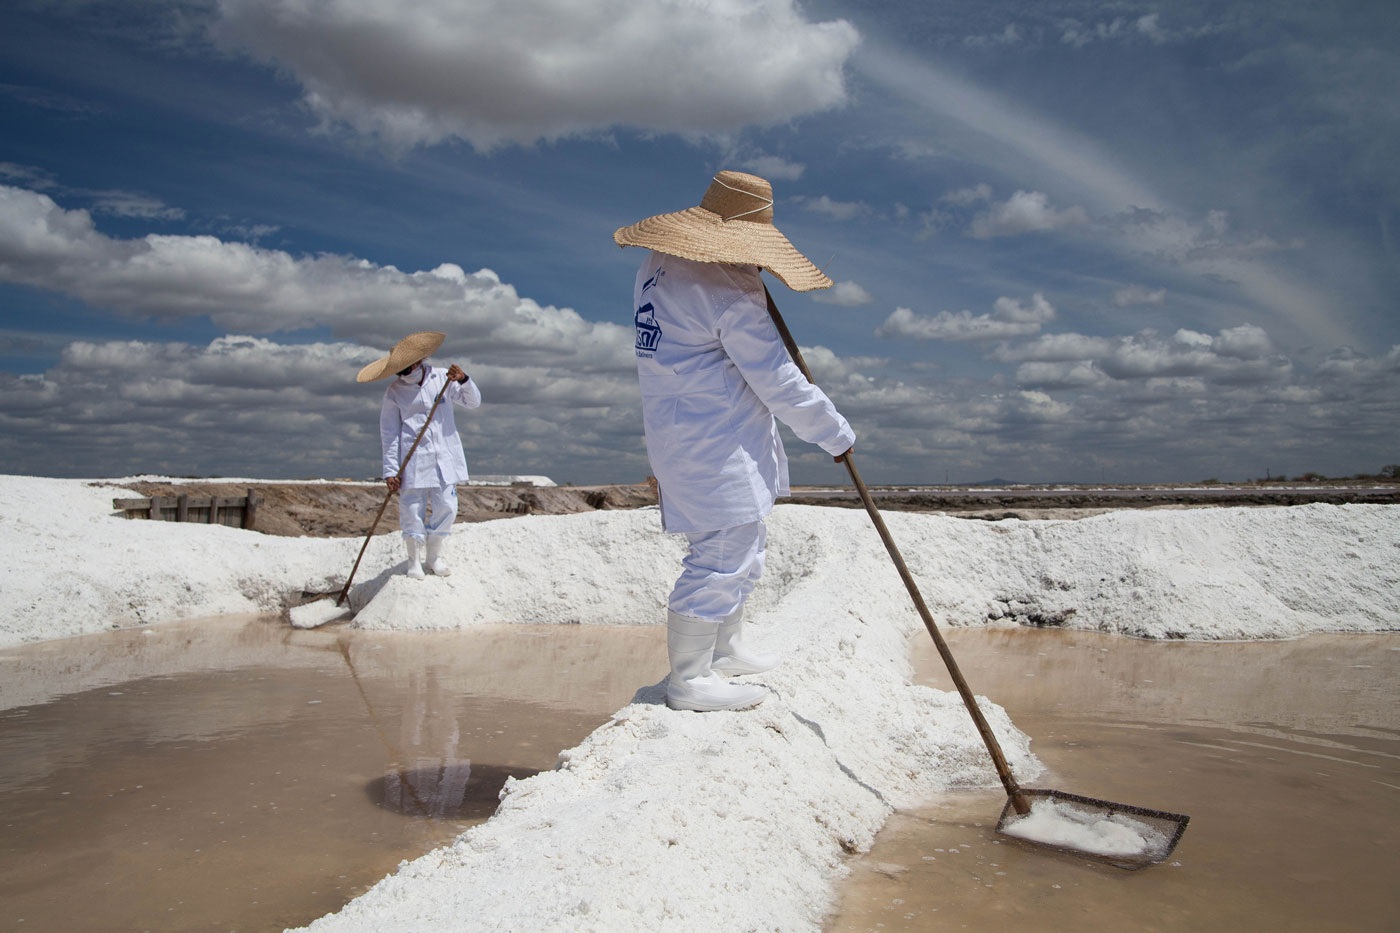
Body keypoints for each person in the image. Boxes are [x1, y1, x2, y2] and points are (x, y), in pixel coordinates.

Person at [614, 170, 855, 712]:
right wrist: (834, 433)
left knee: (740, 543)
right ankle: (690, 679)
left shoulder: (656, 266)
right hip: (715, 439)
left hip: (680, 432)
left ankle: (728, 645)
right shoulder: (729, 289)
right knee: (722, 554)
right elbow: (777, 379)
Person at [356, 331, 481, 579]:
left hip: (445, 457)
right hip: (412, 460)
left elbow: (473, 402)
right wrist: (390, 471)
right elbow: (389, 433)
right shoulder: (394, 392)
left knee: (447, 506)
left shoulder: (442, 379)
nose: (404, 372)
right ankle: (414, 561)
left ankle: (433, 558)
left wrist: (464, 379)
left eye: (406, 366)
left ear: (418, 360)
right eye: (398, 369)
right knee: (412, 509)